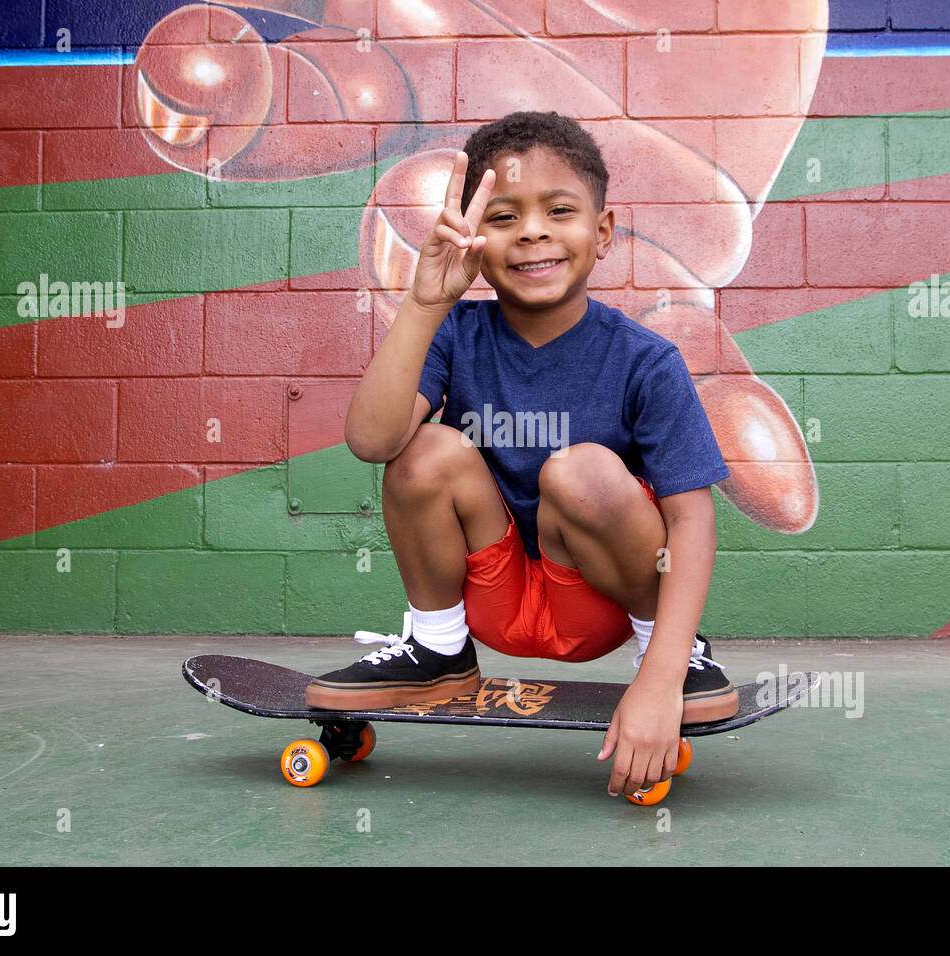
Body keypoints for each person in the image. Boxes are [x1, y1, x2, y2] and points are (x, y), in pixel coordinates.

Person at [307, 111, 736, 798]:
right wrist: (422, 305)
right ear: (475, 238)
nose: (533, 229)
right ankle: (438, 651)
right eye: (504, 217)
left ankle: (672, 653)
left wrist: (659, 679)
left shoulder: (647, 361)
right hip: (493, 595)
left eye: (558, 210)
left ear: (602, 232)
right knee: (425, 452)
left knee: (581, 469)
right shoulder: (454, 332)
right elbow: (372, 441)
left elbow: (692, 520)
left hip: (600, 597)